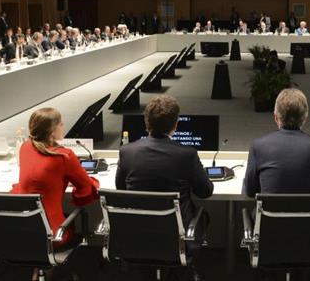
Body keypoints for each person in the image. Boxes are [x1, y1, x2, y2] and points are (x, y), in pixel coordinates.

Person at [115, 95, 213, 228]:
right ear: (175, 124)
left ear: (146, 121)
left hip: (137, 230)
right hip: (177, 231)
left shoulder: (127, 152)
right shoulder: (187, 154)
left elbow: (120, 190)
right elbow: (205, 192)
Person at [11, 108, 99, 248]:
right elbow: (87, 188)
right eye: (61, 124)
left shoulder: (25, 147)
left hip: (24, 229)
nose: (63, 126)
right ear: (52, 131)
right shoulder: (64, 155)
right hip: (53, 234)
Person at [242, 88, 310, 197]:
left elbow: (250, 191)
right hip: (309, 208)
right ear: (305, 118)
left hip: (270, 208)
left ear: (276, 117)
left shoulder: (258, 146)